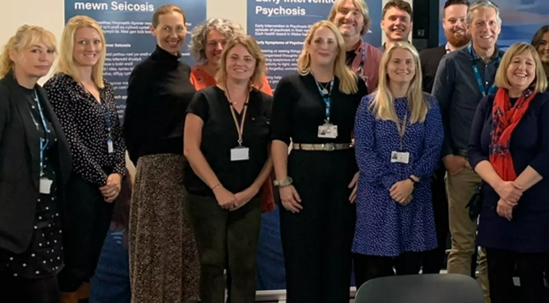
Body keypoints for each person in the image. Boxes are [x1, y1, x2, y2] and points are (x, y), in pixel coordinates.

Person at [271, 20, 367, 302]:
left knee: (337, 255)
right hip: (301, 174)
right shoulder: (290, 84)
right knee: (301, 255)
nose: (324, 46)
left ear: (339, 47)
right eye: (319, 41)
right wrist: (282, 182)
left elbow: (364, 133)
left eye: (330, 41)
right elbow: (277, 137)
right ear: (309, 46)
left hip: (343, 176)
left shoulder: (355, 85)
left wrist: (363, 171)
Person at [467, 42, 549, 303]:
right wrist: (501, 188)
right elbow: (474, 151)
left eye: (529, 63)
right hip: (495, 206)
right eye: (516, 61)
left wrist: (513, 191)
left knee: (532, 283)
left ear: (537, 71)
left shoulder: (548, 103)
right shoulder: (488, 104)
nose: (522, 68)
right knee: (498, 282)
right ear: (505, 66)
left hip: (534, 208)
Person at [182, 35, 273, 303]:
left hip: (249, 196)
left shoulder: (266, 103)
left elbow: (273, 152)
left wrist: (254, 189)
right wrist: (218, 189)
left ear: (256, 64)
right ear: (224, 61)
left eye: (247, 59)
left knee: (243, 266)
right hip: (206, 195)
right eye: (234, 57)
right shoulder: (204, 99)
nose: (240, 64)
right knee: (212, 263)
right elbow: (190, 149)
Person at [43, 16, 127, 303]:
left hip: (106, 188)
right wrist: (102, 179)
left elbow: (116, 133)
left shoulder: (106, 88)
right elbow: (69, 143)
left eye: (95, 41)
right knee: (74, 262)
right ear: (70, 46)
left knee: (90, 262)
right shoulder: (59, 87)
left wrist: (117, 174)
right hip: (77, 186)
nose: (90, 47)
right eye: (83, 42)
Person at [122, 4, 200, 303]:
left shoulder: (184, 70)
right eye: (166, 28)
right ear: (153, 30)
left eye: (178, 28)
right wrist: (149, 162)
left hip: (188, 169)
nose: (173, 35)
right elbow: (131, 127)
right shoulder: (143, 72)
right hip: (157, 171)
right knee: (156, 251)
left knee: (185, 248)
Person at [352, 41, 443, 283]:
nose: (403, 67)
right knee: (375, 271)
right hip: (378, 195)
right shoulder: (368, 105)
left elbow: (434, 148)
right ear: (386, 67)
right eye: (396, 61)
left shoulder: (429, 105)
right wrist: (393, 184)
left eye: (408, 62)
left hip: (415, 194)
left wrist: (411, 181)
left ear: (416, 67)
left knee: (409, 272)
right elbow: (364, 151)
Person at [433, 0, 505, 300]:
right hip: (462, 164)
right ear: (469, 27)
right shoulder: (452, 63)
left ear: (499, 28)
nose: (486, 29)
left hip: (499, 169)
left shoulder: (510, 63)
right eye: (479, 23)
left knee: (492, 244)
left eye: (491, 23)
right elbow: (436, 111)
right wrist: (447, 155)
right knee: (462, 244)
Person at [0, 25, 71, 303]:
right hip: (12, 220)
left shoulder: (39, 95)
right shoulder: (5, 95)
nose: (44, 57)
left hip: (45, 214)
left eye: (49, 51)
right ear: (14, 54)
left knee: (46, 289)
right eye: (35, 50)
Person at [189, 18, 275, 214]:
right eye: (212, 43)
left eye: (224, 42)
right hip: (208, 182)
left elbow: (269, 127)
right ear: (203, 47)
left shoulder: (257, 83)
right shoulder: (194, 78)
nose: (219, 48)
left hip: (250, 179)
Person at [418, 0, 471, 274]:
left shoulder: (493, 61)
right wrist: (445, 153)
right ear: (443, 24)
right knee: (437, 227)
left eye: (464, 19)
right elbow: (430, 109)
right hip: (438, 161)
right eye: (452, 20)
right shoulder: (426, 58)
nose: (459, 25)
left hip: (475, 160)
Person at [330, 0, 383, 92]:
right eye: (344, 11)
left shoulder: (379, 59)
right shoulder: (320, 54)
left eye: (356, 13)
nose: (349, 17)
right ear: (333, 18)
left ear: (364, 22)